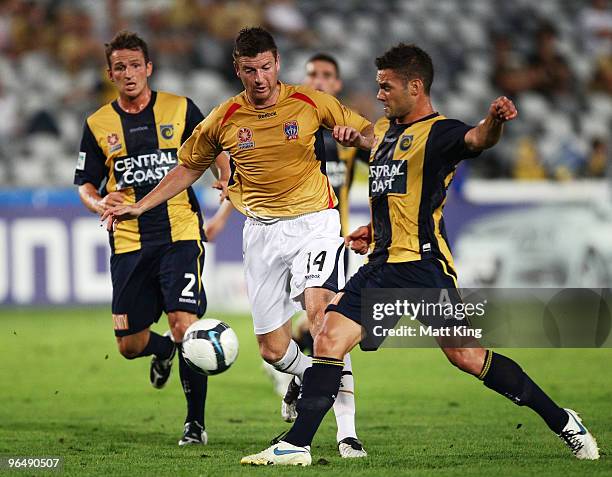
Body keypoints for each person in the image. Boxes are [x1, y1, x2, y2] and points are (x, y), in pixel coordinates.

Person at [240, 43, 600, 466]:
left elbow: (477, 138)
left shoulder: (442, 132)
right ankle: (297, 446)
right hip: (380, 266)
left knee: (467, 356)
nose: (379, 95)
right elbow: (398, 197)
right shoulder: (385, 133)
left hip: (424, 268)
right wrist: (373, 230)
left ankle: (564, 422)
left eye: (386, 87)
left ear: (415, 86)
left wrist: (494, 121)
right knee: (328, 338)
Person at [101, 27, 374, 459]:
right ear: (238, 70)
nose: (260, 78)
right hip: (262, 232)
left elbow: (372, 137)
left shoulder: (309, 102)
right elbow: (187, 169)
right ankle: (307, 377)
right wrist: (140, 207)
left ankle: (346, 432)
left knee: (323, 319)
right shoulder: (224, 118)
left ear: (277, 63)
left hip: (314, 223)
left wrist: (355, 137)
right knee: (273, 350)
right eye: (250, 70)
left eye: (266, 67)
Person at [74, 30, 228, 447]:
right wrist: (99, 202)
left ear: (149, 68)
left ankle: (194, 424)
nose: (128, 73)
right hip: (128, 243)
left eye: (134, 65)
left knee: (185, 325)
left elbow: (213, 150)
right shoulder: (97, 123)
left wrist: (226, 178)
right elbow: (84, 184)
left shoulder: (181, 109)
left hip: (179, 233)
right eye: (119, 67)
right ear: (110, 73)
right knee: (128, 344)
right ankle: (161, 351)